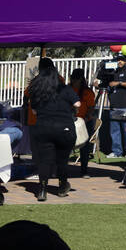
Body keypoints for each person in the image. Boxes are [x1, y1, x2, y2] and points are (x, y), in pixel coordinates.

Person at [27, 57, 79, 201]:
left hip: (43, 128)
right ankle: (62, 186)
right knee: (62, 160)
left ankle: (42, 190)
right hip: (64, 128)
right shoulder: (65, 88)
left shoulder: (36, 89)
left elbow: (34, 111)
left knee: (45, 160)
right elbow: (78, 104)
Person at [103, 53, 126, 158]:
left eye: (122, 60)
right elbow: (106, 85)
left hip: (125, 106)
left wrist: (119, 83)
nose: (119, 62)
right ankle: (116, 152)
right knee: (115, 131)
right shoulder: (112, 72)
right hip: (114, 106)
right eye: (118, 60)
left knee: (125, 130)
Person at [69, 68, 97, 177]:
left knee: (84, 146)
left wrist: (85, 118)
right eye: (73, 79)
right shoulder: (68, 89)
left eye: (76, 79)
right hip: (70, 121)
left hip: (84, 122)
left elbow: (91, 108)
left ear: (81, 80)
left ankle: (84, 169)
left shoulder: (87, 92)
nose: (74, 81)